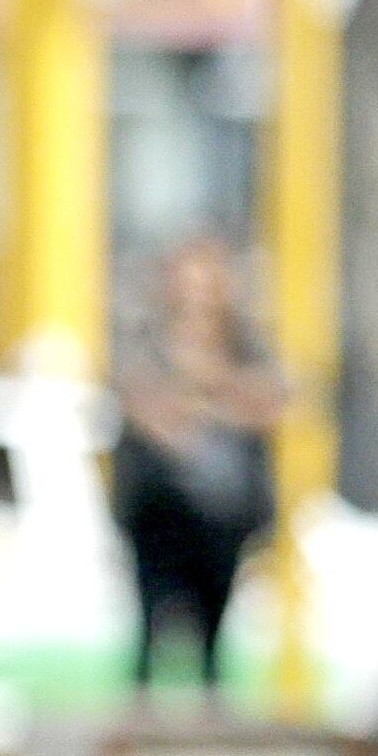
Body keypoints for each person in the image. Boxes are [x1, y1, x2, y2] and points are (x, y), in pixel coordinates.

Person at [111, 233, 287, 703]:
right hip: (158, 511)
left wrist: (208, 389)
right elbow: (148, 409)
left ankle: (211, 724)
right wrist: (209, 398)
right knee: (152, 628)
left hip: (225, 513)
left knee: (216, 632)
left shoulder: (244, 339)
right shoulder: (147, 335)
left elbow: (272, 397)